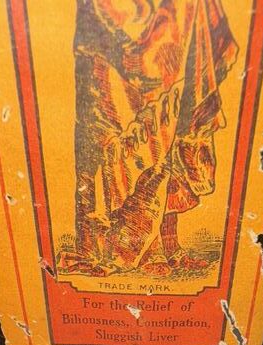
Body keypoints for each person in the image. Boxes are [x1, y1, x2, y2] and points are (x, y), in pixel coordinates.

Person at [60, 0, 238, 277]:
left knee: (170, 133)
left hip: (168, 26)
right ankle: (125, 248)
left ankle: (168, 246)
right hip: (110, 38)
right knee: (113, 133)